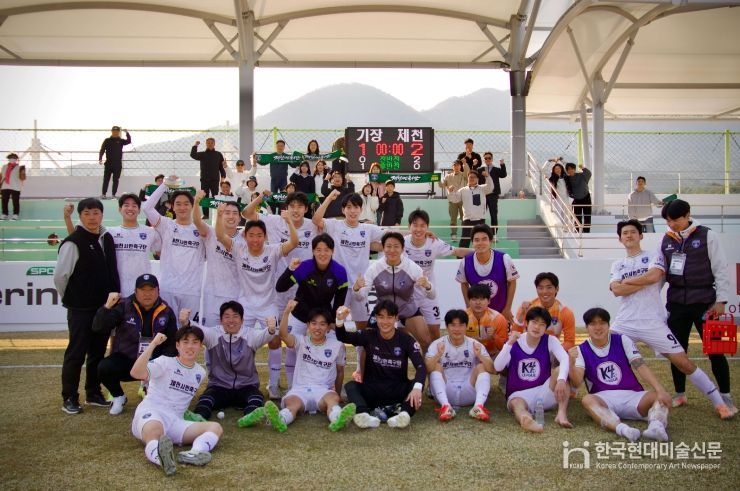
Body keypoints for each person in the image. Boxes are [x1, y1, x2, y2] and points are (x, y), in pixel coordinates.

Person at [619, 209, 736, 416]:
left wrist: (721, 300)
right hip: (676, 304)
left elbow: (720, 268)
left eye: (676, 220)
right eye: (668, 221)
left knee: (716, 351)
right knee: (678, 351)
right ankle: (680, 393)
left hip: (707, 303)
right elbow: (659, 276)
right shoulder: (666, 240)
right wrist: (648, 296)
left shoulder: (707, 235)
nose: (672, 224)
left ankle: (726, 397)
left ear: (687, 215)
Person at [243, 191, 318, 397]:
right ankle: (274, 384)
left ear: (306, 209)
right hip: (277, 289)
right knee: (275, 338)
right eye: (292, 206)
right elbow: (246, 213)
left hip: (301, 291)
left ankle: (293, 385)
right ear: (286, 208)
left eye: (300, 206)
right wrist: (261, 196)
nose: (295, 210)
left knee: (294, 340)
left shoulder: (312, 225)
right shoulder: (274, 220)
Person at [54, 198, 120, 414]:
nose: (92, 217)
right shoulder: (73, 242)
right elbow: (60, 277)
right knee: (76, 353)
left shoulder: (107, 237)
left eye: (96, 213)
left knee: (97, 353)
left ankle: (93, 393)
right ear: (80, 216)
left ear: (102, 215)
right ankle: (69, 397)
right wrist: (73, 298)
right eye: (87, 213)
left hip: (104, 308)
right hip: (80, 309)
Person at [129, 327, 223, 476]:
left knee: (215, 427)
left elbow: (179, 399)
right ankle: (162, 459)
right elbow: (136, 373)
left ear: (201, 346)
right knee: (155, 431)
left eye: (195, 342)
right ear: (177, 345)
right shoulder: (165, 362)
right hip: (152, 413)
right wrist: (153, 344)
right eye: (185, 342)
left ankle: (193, 453)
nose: (190, 346)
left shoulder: (200, 372)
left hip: (175, 422)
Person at [568, 308, 671, 442]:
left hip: (633, 395)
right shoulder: (581, 350)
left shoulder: (622, 340)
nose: (598, 327)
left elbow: (640, 366)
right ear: (587, 327)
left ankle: (656, 428)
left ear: (608, 325)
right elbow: (576, 382)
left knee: (658, 395)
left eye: (602, 323)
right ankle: (624, 430)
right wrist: (571, 362)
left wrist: (660, 390)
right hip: (604, 399)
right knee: (587, 399)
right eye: (593, 324)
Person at [263, 301, 356, 432]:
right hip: (300, 390)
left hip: (323, 390)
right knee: (292, 404)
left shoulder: (337, 345)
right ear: (308, 325)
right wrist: (287, 312)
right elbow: (283, 335)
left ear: (328, 327)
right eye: (314, 323)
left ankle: (337, 419)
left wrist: (338, 393)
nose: (317, 328)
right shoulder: (301, 341)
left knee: (333, 399)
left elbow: (340, 371)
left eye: (322, 324)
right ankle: (281, 420)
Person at [180, 301, 277, 426]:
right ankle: (199, 417)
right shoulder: (213, 334)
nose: (231, 320)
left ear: (242, 320)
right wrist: (186, 322)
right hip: (219, 386)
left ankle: (250, 417)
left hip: (246, 386)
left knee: (256, 397)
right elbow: (197, 331)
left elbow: (266, 335)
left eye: (235, 316)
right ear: (221, 320)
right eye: (227, 316)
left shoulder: (250, 335)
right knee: (206, 398)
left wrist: (271, 329)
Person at [92, 274, 177, 415]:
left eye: (151, 290)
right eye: (143, 290)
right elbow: (98, 327)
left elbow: (172, 342)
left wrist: (166, 364)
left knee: (173, 364)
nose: (147, 294)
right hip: (128, 360)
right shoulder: (124, 305)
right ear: (135, 291)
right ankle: (118, 396)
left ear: (158, 291)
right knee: (104, 367)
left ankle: (152, 388)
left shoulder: (166, 311)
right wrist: (107, 307)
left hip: (154, 362)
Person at [337, 301, 427, 429]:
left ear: (396, 318)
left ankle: (404, 414)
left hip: (397, 392)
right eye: (381, 317)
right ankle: (364, 414)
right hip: (372, 391)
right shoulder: (368, 335)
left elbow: (421, 366)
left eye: (389, 317)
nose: (385, 322)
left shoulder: (406, 340)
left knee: (416, 386)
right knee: (351, 386)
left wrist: (417, 388)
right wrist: (339, 320)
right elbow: (343, 336)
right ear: (376, 318)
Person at [215, 204, 298, 335]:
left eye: (259, 235)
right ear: (245, 236)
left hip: (268, 306)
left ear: (265, 237)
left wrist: (289, 222)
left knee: (274, 340)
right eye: (251, 235)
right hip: (245, 305)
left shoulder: (273, 250)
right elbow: (220, 236)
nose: (255, 239)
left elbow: (294, 242)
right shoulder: (238, 249)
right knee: (240, 337)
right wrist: (219, 216)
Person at [275, 233, 349, 373]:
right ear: (313, 251)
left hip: (322, 319)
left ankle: (325, 382)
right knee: (291, 350)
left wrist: (332, 322)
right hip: (300, 315)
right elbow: (280, 287)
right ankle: (293, 384)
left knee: (329, 350)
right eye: (318, 250)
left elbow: (339, 301)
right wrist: (290, 269)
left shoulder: (340, 271)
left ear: (332, 251)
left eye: (326, 250)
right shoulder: (304, 267)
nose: (322, 253)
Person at [313, 191, 383, 335]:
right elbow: (316, 220)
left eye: (356, 207)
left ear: (361, 209)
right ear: (343, 209)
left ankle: (361, 350)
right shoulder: (335, 225)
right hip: (338, 285)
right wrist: (329, 198)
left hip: (360, 286)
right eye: (349, 207)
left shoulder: (367, 229)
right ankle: (337, 349)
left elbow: (393, 236)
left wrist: (419, 235)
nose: (352, 211)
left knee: (363, 326)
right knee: (334, 323)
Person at [353, 231, 435, 352]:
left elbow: (432, 296)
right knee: (367, 343)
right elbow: (360, 297)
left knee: (426, 341)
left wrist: (428, 286)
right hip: (383, 312)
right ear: (383, 248)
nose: (392, 250)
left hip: (407, 309)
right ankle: (364, 365)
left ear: (402, 249)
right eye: (388, 246)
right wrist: (356, 289)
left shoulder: (412, 267)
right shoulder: (374, 268)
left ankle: (425, 365)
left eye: (396, 246)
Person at [65, 193, 161, 298]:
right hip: (116, 291)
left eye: (134, 206)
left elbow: (161, 252)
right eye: (126, 205)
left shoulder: (150, 232)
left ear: (139, 210)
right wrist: (67, 217)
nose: (130, 208)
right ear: (120, 209)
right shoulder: (109, 232)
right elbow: (78, 239)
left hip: (141, 290)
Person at [493, 307, 572, 432]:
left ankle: (561, 414)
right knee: (517, 404)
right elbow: (498, 367)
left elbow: (564, 358)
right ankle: (526, 419)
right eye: (534, 322)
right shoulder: (515, 341)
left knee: (560, 373)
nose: (537, 327)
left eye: (542, 324)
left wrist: (561, 379)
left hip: (544, 391)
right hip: (519, 394)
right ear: (526, 323)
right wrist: (509, 344)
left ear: (546, 328)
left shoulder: (550, 340)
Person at [142, 181, 205, 326]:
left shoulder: (202, 229)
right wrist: (165, 185)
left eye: (186, 204)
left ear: (192, 206)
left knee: (188, 331)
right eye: (178, 204)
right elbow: (147, 207)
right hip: (168, 288)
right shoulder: (166, 225)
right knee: (166, 330)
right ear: (172, 206)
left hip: (192, 291)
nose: (182, 207)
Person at [405, 208, 470, 340]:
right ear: (409, 226)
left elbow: (456, 251)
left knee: (434, 331)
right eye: (415, 225)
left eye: (422, 226)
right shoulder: (402, 242)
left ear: (427, 227)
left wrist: (483, 251)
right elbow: (386, 236)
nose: (418, 229)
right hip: (406, 295)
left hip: (428, 293)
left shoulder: (434, 243)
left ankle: (433, 354)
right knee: (402, 331)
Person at [427, 309, 495, 422]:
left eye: (461, 325)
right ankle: (445, 407)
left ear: (466, 326)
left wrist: (480, 356)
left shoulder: (475, 344)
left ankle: (478, 407)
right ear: (447, 326)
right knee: (436, 366)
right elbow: (428, 369)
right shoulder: (437, 344)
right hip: (446, 390)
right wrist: (438, 355)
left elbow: (491, 369)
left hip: (469, 391)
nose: (457, 329)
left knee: (482, 367)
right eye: (453, 325)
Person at [191, 190, 241, 327]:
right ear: (221, 214)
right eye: (227, 212)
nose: (231, 216)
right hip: (212, 294)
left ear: (239, 218)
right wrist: (196, 202)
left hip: (235, 294)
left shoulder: (244, 238)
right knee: (211, 334)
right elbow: (197, 221)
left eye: (235, 213)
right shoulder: (210, 233)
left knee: (233, 334)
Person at [456, 224, 519, 323]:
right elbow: (464, 284)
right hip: (477, 314)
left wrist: (507, 308)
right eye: (476, 240)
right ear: (472, 243)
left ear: (491, 241)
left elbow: (512, 282)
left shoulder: (504, 258)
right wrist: (469, 307)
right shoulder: (465, 262)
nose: (480, 243)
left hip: (501, 312)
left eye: (484, 239)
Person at [513, 272, 576, 351]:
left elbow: (569, 342)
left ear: (557, 289)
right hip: (527, 350)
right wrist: (522, 314)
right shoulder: (526, 307)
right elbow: (515, 334)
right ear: (536, 289)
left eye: (549, 287)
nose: (545, 291)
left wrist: (553, 352)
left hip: (551, 353)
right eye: (540, 288)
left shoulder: (565, 312)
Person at [446, 169, 493, 248]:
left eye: (474, 177)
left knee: (481, 241)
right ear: (467, 178)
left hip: (480, 220)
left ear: (477, 179)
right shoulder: (463, 190)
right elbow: (454, 199)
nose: (472, 178)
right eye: (470, 177)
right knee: (464, 242)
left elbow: (490, 187)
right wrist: (450, 192)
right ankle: (461, 256)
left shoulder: (482, 188)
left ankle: (482, 255)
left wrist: (488, 177)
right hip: (467, 220)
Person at [465, 284, 508, 358]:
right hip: (469, 356)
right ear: (469, 301)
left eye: (482, 299)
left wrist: (494, 336)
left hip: (492, 356)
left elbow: (503, 348)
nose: (478, 303)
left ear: (489, 301)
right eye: (474, 299)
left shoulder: (498, 318)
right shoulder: (462, 317)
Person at [190, 138, 226, 219]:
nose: (210, 144)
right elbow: (193, 155)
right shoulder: (202, 154)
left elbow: (221, 167)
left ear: (214, 144)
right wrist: (195, 145)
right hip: (204, 180)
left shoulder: (218, 154)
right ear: (206, 144)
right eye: (208, 143)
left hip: (215, 180)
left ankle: (217, 214)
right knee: (204, 197)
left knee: (215, 197)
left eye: (211, 143)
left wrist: (223, 177)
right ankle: (206, 214)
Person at [98, 126, 131, 199]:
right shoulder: (107, 140)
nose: (115, 132)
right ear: (111, 131)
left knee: (116, 180)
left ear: (119, 132)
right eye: (114, 131)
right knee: (106, 179)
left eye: (117, 131)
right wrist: (100, 158)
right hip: (108, 163)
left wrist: (127, 133)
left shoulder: (121, 141)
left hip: (117, 164)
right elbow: (102, 149)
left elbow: (129, 141)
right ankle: (104, 194)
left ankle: (113, 195)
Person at [442, 159, 469, 241]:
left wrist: (465, 163)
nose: (456, 167)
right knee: (453, 219)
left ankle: (465, 234)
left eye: (458, 165)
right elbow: (442, 185)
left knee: (464, 218)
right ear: (452, 167)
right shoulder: (448, 176)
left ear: (460, 166)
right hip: (452, 201)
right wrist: (437, 179)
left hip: (462, 200)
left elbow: (467, 172)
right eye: (454, 165)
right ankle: (453, 234)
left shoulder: (464, 175)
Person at [483, 152, 507, 234]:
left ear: (492, 159)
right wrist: (475, 166)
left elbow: (503, 174)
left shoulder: (496, 169)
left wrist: (502, 164)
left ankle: (493, 234)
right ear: (484, 160)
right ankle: (481, 232)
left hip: (493, 195)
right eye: (486, 158)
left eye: (489, 158)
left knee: (493, 214)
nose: (487, 159)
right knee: (481, 215)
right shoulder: (480, 169)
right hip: (483, 194)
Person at [565, 162, 592, 233]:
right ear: (567, 171)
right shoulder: (567, 179)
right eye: (568, 169)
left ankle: (586, 232)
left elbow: (589, 173)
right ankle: (577, 232)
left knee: (587, 216)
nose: (570, 170)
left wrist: (583, 168)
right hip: (576, 199)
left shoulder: (581, 175)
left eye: (572, 169)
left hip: (586, 197)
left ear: (575, 169)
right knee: (577, 217)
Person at [1, 152, 24, 220]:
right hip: (5, 186)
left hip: (15, 186)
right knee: (4, 201)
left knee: (15, 201)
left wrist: (23, 173)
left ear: (16, 159)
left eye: (14, 158)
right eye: (11, 158)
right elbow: (2, 176)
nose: (12, 159)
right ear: (8, 159)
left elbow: (23, 178)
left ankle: (15, 214)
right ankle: (4, 214)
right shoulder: (4, 167)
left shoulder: (20, 167)